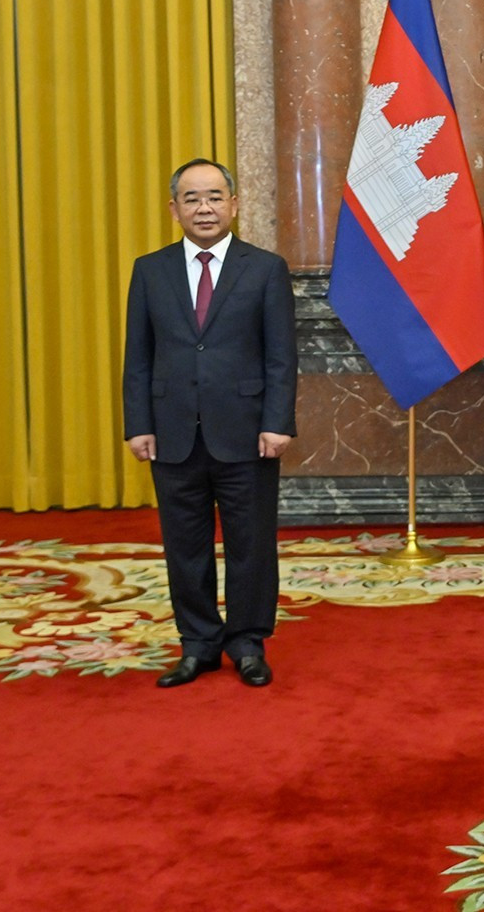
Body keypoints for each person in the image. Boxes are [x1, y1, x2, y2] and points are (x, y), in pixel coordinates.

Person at [122, 158, 296, 688]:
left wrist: (277, 421)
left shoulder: (265, 268)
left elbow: (280, 356)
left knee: (251, 544)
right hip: (172, 432)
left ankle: (247, 643)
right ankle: (197, 644)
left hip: (247, 433)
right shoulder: (150, 270)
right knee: (185, 545)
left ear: (234, 204)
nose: (205, 207)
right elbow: (139, 356)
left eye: (215, 196)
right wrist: (138, 423)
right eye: (193, 198)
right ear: (173, 208)